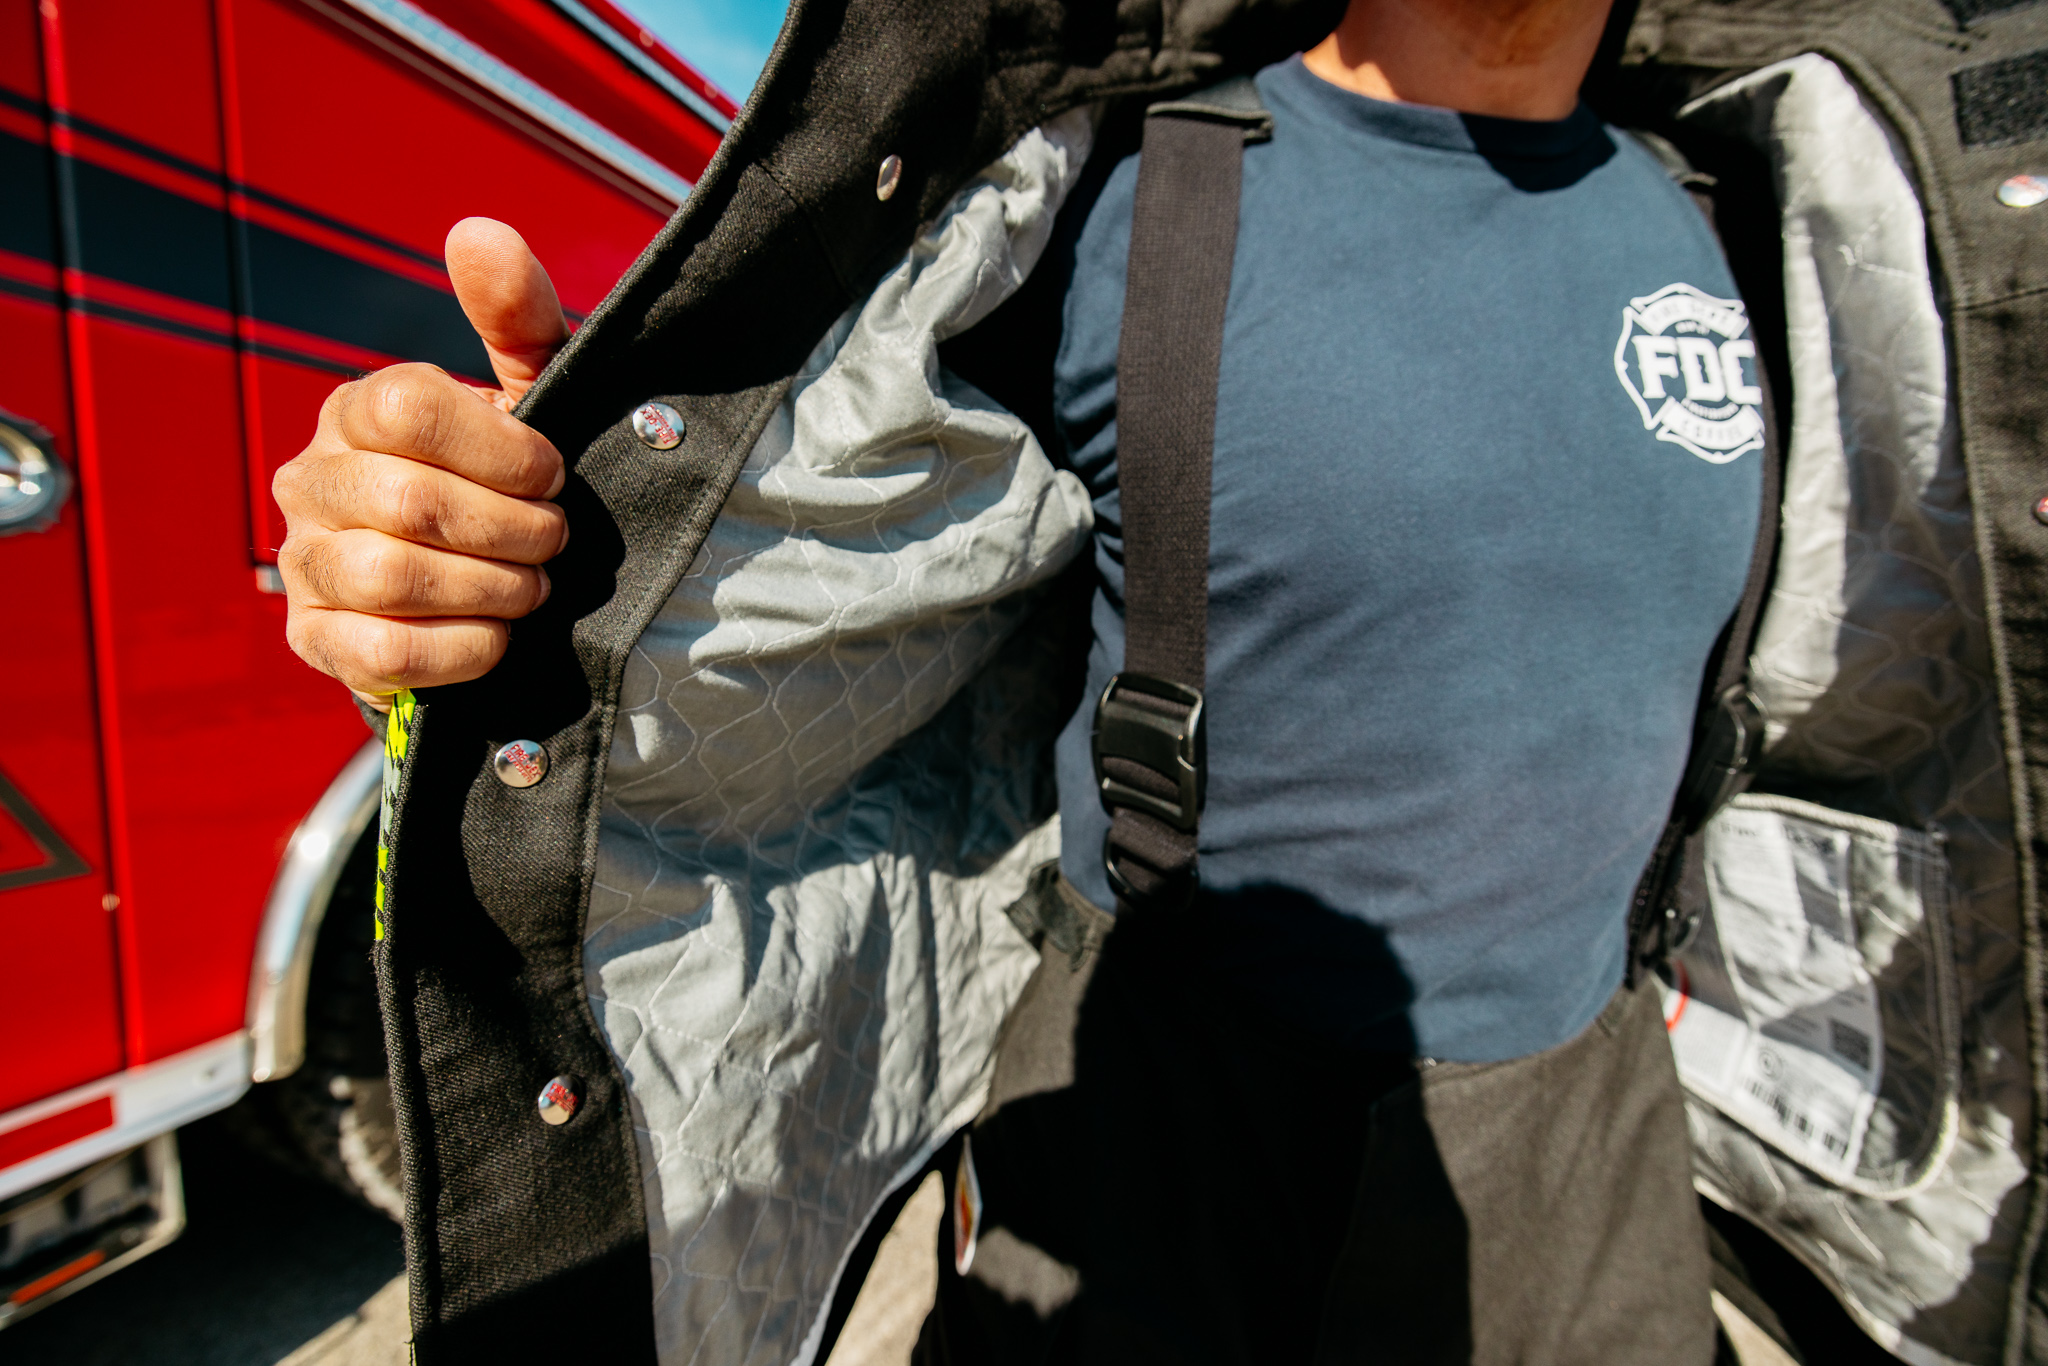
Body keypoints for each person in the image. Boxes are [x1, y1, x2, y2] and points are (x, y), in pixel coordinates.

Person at [273, 0, 2047, 1362]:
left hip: (1588, 1141)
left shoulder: (1748, 222)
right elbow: (776, 584)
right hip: (1163, 1119)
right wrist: (540, 571)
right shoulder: (1124, 197)